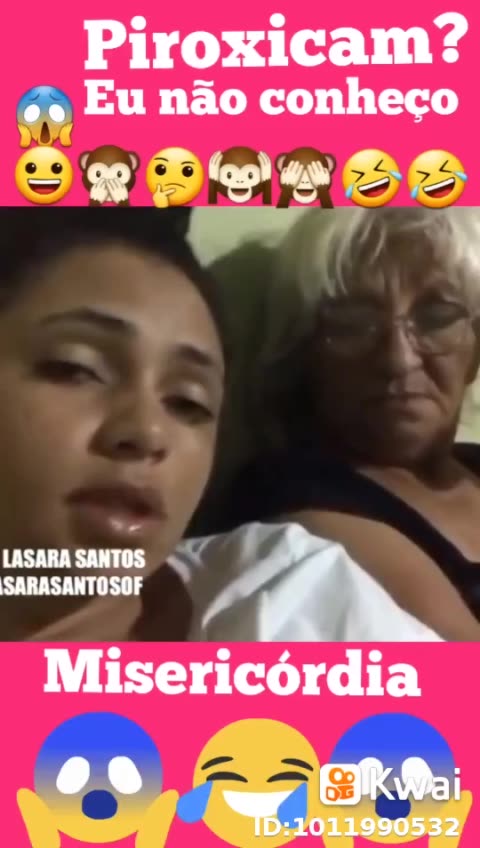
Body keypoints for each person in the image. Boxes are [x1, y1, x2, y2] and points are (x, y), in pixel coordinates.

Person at [0, 208, 441, 643]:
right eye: (76, 369)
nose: (148, 432)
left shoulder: (293, 601)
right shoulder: (315, 498)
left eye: (187, 403)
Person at [225, 207, 480, 641]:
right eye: (354, 323)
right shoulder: (292, 494)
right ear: (304, 352)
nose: (398, 360)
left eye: (436, 317)